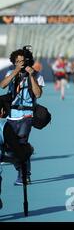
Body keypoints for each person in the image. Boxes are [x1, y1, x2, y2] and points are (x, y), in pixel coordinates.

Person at [0, 47, 44, 185]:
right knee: (11, 148)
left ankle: (24, 176)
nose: (20, 64)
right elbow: (2, 85)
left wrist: (31, 76)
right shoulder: (11, 72)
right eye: (17, 61)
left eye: (22, 61)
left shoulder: (37, 75)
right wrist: (15, 72)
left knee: (21, 144)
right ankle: (22, 167)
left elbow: (38, 94)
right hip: (11, 115)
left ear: (28, 61)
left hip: (27, 115)